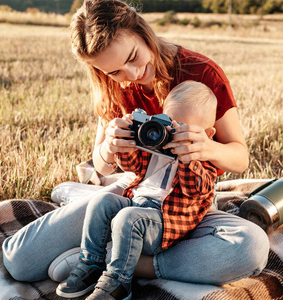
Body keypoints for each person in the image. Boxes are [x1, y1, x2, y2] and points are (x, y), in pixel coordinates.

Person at [2, 0, 269, 289]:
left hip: (189, 205)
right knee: (19, 261)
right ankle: (103, 234)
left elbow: (240, 157)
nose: (130, 75)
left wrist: (208, 148)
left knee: (250, 246)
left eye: (133, 57)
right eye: (115, 71)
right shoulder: (112, 86)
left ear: (143, 33)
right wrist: (110, 147)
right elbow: (101, 165)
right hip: (133, 192)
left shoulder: (201, 73)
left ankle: (109, 261)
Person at [56, 81, 219, 299]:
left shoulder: (203, 161)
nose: (174, 137)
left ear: (207, 134)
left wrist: (187, 157)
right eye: (172, 126)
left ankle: (118, 282)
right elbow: (131, 166)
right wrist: (128, 138)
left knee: (128, 218)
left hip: (165, 224)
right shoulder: (158, 142)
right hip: (136, 205)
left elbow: (195, 189)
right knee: (102, 201)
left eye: (184, 131)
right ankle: (91, 263)